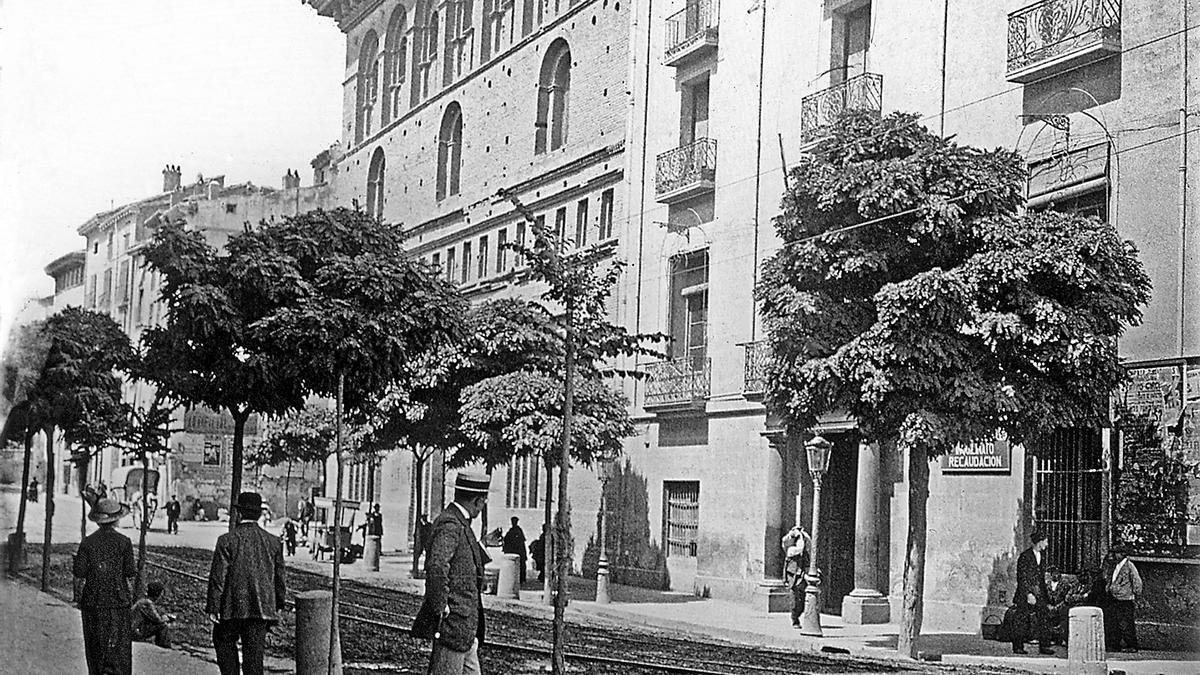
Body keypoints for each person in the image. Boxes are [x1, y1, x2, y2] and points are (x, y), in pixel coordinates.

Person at [411, 472, 491, 675]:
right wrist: (442, 607)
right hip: (452, 625)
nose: (482, 507)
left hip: (465, 628)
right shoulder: (451, 524)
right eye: (483, 502)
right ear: (477, 500)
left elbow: (461, 561)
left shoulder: (459, 522)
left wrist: (482, 547)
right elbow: (437, 566)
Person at [206, 492, 287, 675]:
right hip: (260, 609)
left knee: (223, 641)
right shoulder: (274, 542)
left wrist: (213, 606)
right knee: (254, 658)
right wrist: (279, 604)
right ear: (259, 514)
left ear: (239, 513)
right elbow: (280, 578)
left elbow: (218, 577)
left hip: (231, 608)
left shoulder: (226, 540)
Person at [73, 497, 136, 675]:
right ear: (116, 520)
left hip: (93, 601)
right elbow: (130, 571)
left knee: (95, 648)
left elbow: (79, 572)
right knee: (119, 650)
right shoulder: (124, 542)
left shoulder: (87, 542)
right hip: (118, 601)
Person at [1011, 529, 1055, 655]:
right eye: (1046, 541)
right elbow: (1022, 578)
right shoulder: (1025, 556)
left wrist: (1045, 596)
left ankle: (1044, 646)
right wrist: (1028, 594)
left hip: (1039, 593)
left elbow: (1041, 578)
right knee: (1022, 619)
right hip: (1025, 593)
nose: (1047, 544)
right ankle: (1018, 646)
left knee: (1044, 617)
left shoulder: (1043, 557)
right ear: (1039, 542)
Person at [1107, 545, 1142, 653]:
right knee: (1115, 622)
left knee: (1126, 623)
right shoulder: (1116, 566)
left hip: (1125, 598)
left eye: (1116, 553)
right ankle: (1115, 644)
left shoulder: (1129, 566)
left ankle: (1132, 645)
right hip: (1116, 597)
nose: (1114, 555)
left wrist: (1134, 593)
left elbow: (1137, 581)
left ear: (1122, 554)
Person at [781, 524, 812, 628]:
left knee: (802, 599)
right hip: (793, 575)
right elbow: (786, 565)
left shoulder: (805, 546)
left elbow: (808, 551)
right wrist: (785, 579)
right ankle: (795, 619)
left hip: (802, 575)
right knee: (794, 599)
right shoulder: (791, 549)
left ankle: (798, 615)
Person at [1044, 565, 1081, 645]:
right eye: (1053, 573)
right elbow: (1044, 597)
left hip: (1061, 606)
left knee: (1063, 614)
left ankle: (1062, 638)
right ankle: (1049, 638)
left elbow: (1067, 598)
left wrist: (1057, 607)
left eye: (1057, 573)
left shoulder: (1065, 584)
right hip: (1049, 606)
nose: (1056, 575)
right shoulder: (1047, 584)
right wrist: (1048, 605)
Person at [132, 581, 176, 648]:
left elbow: (153, 615)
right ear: (157, 594)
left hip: (133, 628)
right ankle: (164, 646)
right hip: (136, 631)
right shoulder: (147, 603)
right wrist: (168, 618)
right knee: (163, 626)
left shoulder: (142, 601)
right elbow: (157, 619)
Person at [502, 516, 528, 584]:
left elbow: (521, 541)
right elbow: (507, 540)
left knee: (521, 565)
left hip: (519, 550)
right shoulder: (511, 531)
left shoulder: (518, 530)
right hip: (513, 550)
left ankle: (521, 579)